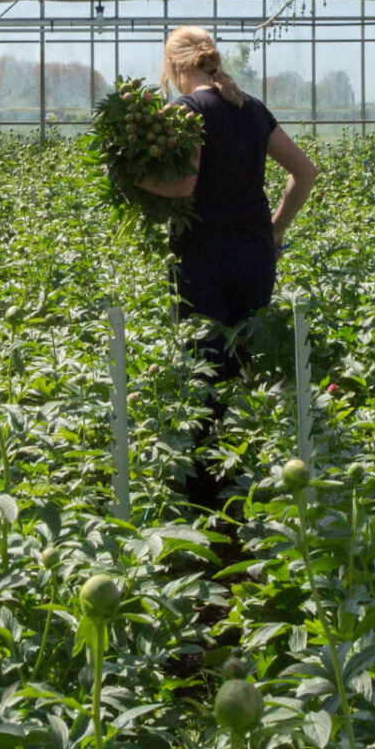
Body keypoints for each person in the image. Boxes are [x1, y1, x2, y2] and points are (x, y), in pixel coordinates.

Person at [136, 26, 318, 510]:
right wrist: (275, 229)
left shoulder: (188, 110)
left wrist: (130, 174)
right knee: (243, 366)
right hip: (256, 260)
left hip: (203, 261)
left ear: (176, 68)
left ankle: (207, 494)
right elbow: (306, 173)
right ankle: (250, 477)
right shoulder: (250, 108)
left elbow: (182, 187)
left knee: (205, 372)